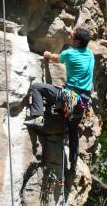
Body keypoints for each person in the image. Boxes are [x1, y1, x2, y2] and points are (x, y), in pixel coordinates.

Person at [24, 28, 95, 171]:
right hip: (83, 102)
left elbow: (55, 58)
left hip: (69, 98)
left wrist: (47, 54)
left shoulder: (69, 53)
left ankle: (38, 120)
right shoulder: (90, 54)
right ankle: (73, 163)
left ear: (76, 41)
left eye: (72, 35)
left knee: (37, 87)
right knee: (73, 129)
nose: (69, 35)